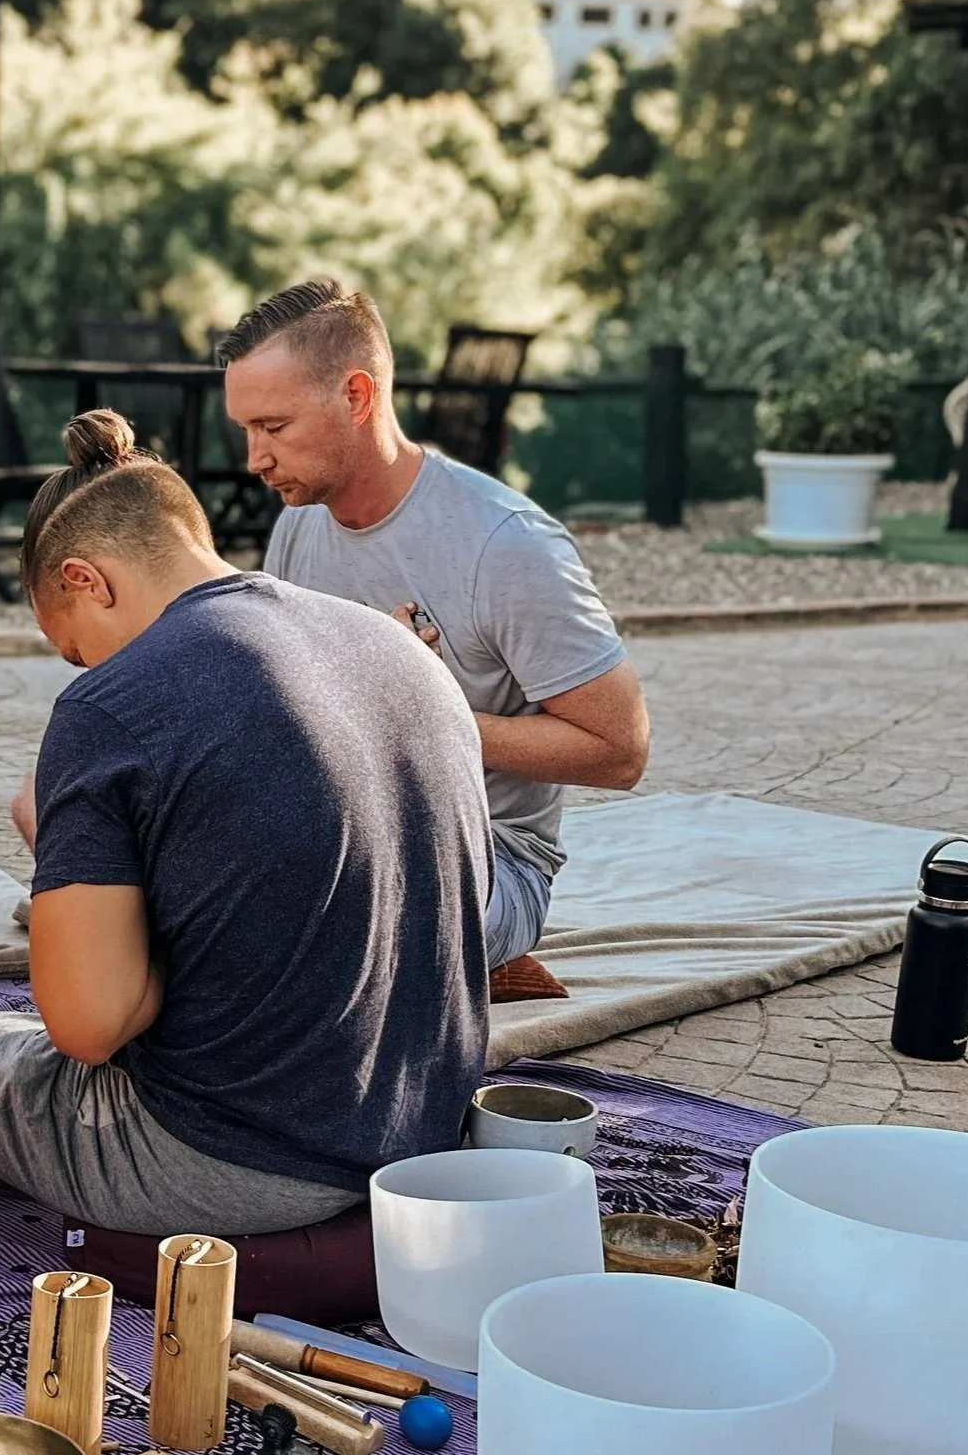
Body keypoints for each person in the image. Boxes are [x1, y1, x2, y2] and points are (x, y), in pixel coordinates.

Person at [0, 412, 489, 1233]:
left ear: (86, 580)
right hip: (422, 1127)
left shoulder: (111, 705)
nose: (85, 669)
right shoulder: (389, 641)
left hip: (231, 1162)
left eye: (75, 648)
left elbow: (88, 1027)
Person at [219, 278, 648, 975]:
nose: (254, 458)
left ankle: (455, 966)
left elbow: (621, 750)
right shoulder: (297, 523)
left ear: (355, 396)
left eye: (273, 427)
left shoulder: (505, 545)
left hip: (487, 855)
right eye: (246, 429)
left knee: (301, 918)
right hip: (336, 827)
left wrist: (420, 710)